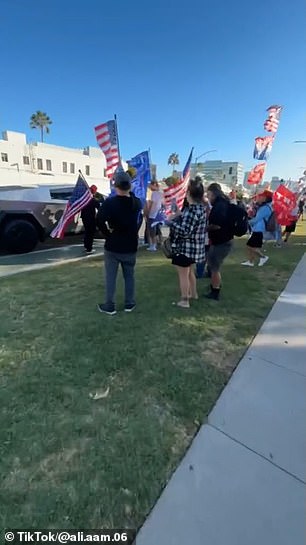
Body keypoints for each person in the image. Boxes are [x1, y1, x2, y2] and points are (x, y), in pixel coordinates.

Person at [96, 171, 142, 315]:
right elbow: (139, 220)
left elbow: (99, 220)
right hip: (130, 244)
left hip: (113, 245)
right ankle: (129, 303)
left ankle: (110, 305)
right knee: (129, 276)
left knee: (111, 277)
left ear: (115, 185)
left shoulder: (110, 203)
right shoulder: (136, 202)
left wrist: (107, 235)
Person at [169, 179, 206, 308]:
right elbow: (188, 222)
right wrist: (178, 213)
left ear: (189, 193)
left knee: (183, 274)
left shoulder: (192, 210)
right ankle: (193, 293)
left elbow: (185, 231)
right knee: (189, 271)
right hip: (194, 249)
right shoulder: (199, 208)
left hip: (186, 249)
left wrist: (170, 223)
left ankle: (184, 300)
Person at [206, 183, 234, 300]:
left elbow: (217, 225)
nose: (208, 197)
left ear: (213, 193)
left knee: (214, 267)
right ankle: (214, 285)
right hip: (222, 240)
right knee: (212, 264)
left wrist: (206, 228)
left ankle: (215, 291)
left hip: (221, 241)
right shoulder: (223, 203)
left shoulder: (219, 205)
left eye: (208, 195)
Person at [241, 190, 272, 267]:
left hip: (259, 230)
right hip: (258, 229)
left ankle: (263, 257)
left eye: (261, 196)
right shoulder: (265, 207)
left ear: (265, 198)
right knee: (252, 246)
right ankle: (251, 261)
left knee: (250, 246)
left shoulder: (265, 208)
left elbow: (256, 219)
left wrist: (248, 221)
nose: (259, 198)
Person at [81, 185, 100, 254]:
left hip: (84, 217)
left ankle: (86, 246)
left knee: (87, 232)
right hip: (91, 218)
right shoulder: (93, 200)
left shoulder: (84, 199)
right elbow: (99, 208)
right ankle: (89, 248)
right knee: (90, 233)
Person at [146, 181, 164, 251]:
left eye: (150, 185)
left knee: (152, 230)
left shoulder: (154, 193)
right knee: (158, 230)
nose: (149, 187)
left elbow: (152, 204)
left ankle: (153, 245)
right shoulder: (161, 193)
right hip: (159, 214)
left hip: (153, 214)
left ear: (154, 185)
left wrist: (148, 211)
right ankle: (160, 242)